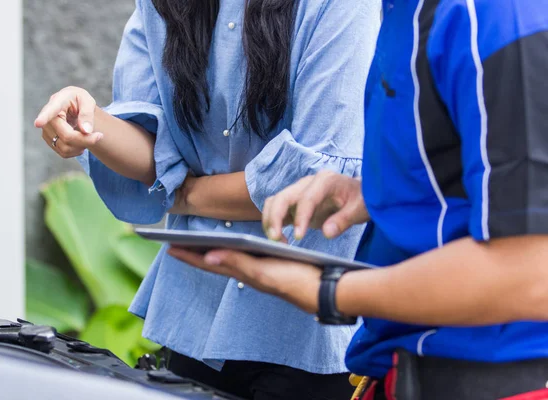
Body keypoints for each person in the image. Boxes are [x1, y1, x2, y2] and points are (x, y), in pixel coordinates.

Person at [169, 0, 548, 398]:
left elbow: (529, 272)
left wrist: (329, 292)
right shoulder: (404, 12)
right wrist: (374, 190)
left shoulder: (497, 14)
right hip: (401, 373)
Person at [35, 0, 381, 399]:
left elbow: (321, 184)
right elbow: (151, 146)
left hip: (307, 329)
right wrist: (93, 122)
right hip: (197, 312)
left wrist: (186, 193)